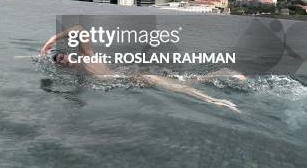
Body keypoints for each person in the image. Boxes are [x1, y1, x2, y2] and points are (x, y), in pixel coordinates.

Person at [40, 25, 241, 112]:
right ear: (60, 66)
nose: (61, 59)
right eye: (57, 61)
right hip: (131, 78)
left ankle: (214, 100)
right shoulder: (78, 74)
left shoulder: (86, 56)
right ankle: (222, 73)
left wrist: (52, 39)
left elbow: (80, 30)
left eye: (61, 55)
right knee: (187, 81)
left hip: (136, 79)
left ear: (68, 53)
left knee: (182, 86)